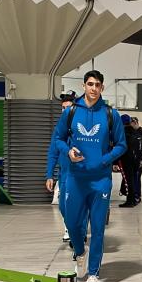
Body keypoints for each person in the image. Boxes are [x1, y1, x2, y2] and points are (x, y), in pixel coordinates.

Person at [52, 70, 127, 282]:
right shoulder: (72, 112)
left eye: (97, 85)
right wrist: (68, 151)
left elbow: (121, 145)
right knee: (73, 223)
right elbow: (57, 139)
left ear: (102, 88)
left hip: (101, 181)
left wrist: (103, 160)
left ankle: (93, 275)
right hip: (75, 178)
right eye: (90, 84)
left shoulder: (110, 114)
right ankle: (79, 251)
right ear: (84, 86)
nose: (93, 88)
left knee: (98, 229)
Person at [46, 90, 78, 242]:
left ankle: (77, 231)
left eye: (68, 108)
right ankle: (69, 225)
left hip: (80, 175)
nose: (65, 111)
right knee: (63, 206)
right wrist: (49, 175)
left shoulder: (80, 129)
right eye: (63, 108)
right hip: (64, 174)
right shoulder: (59, 130)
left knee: (78, 205)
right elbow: (53, 153)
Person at [131, 117, 142, 204]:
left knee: (137, 176)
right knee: (134, 176)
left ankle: (137, 195)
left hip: (140, 158)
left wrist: (141, 160)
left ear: (136, 123)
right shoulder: (134, 132)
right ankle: (134, 194)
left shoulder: (141, 132)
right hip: (136, 158)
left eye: (132, 123)